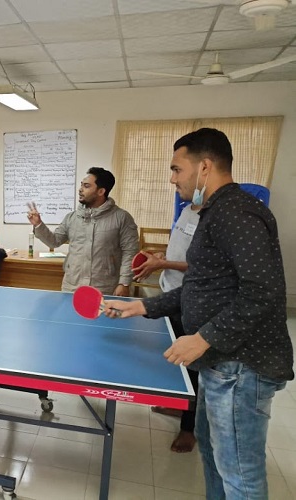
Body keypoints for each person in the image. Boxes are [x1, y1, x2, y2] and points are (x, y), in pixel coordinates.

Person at [104, 128, 293, 499]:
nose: (172, 179)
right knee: (212, 451)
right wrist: (142, 306)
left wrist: (203, 338)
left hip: (241, 366)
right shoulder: (212, 212)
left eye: (177, 169)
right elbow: (202, 286)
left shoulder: (236, 213)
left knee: (239, 473)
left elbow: (263, 291)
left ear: (204, 167)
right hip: (220, 363)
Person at [133, 201, 202, 453]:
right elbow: (181, 252)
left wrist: (163, 265)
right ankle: (179, 404)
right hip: (171, 293)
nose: (173, 182)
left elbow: (207, 267)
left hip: (193, 300)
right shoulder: (186, 210)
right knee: (173, 360)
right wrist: (163, 259)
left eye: (177, 177)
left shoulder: (212, 217)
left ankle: (189, 428)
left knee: (192, 367)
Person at [27, 167, 138, 296]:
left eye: (86, 186)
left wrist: (124, 283)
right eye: (81, 185)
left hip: (105, 288)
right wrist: (38, 225)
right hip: (72, 287)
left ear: (101, 191)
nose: (80, 189)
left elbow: (130, 252)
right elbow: (54, 241)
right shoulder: (72, 217)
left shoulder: (122, 218)